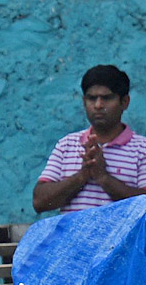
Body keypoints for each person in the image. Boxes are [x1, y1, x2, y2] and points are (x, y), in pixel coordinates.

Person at [33, 65, 146, 214]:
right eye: (92, 98)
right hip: (73, 238)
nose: (98, 105)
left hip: (123, 238)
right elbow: (39, 202)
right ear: (84, 101)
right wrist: (82, 176)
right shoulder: (67, 145)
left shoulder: (141, 149)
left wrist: (104, 178)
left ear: (125, 102)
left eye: (107, 98)